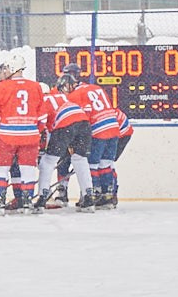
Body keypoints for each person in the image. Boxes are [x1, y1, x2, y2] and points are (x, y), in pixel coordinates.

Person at [0, 60, 48, 211]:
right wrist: (36, 130)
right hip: (30, 135)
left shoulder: (1, 86)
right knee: (28, 169)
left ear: (14, 68)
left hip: (7, 135)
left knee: (1, 169)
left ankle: (1, 200)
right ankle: (27, 201)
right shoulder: (35, 86)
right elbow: (42, 117)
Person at [38, 72, 94, 210]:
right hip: (83, 122)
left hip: (65, 124)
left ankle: (42, 196)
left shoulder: (43, 101)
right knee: (80, 160)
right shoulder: (64, 96)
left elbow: (43, 124)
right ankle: (88, 197)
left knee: (48, 161)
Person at [83, 73, 132, 207]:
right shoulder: (103, 106)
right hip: (116, 131)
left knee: (102, 163)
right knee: (105, 163)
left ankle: (103, 193)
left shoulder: (93, 109)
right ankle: (109, 194)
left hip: (120, 133)